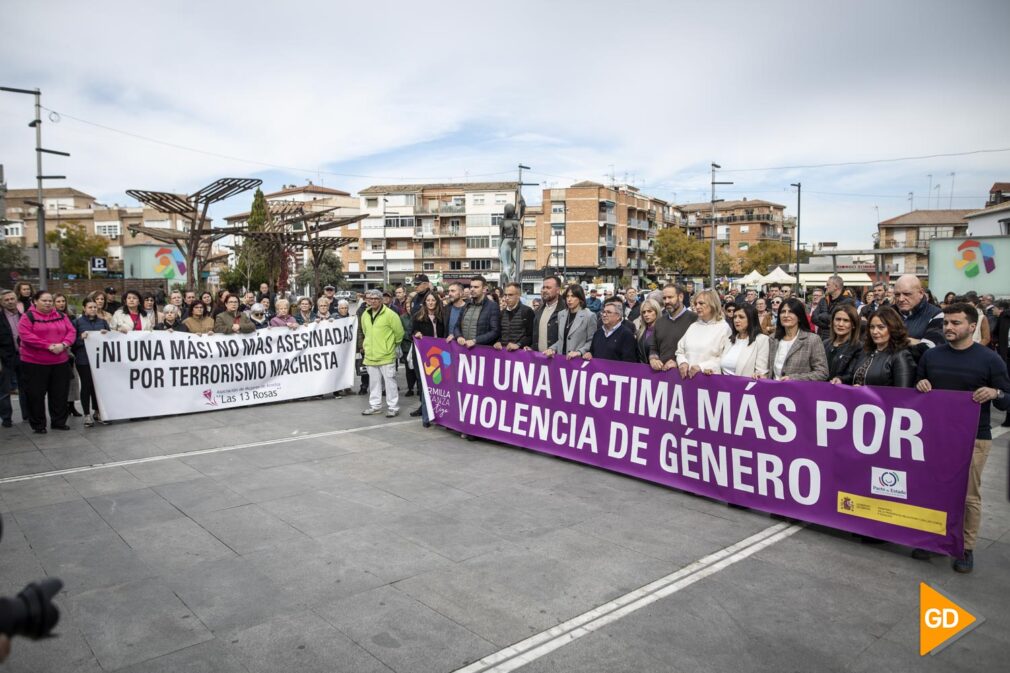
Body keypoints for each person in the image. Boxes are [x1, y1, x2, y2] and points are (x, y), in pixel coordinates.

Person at [915, 302, 1010, 572]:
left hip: (975, 437)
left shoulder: (989, 359)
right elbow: (917, 393)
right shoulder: (932, 357)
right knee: (934, 490)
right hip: (935, 437)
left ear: (972, 326)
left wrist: (995, 394)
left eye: (956, 323)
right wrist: (920, 385)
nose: (948, 327)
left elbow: (1007, 399)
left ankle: (965, 548)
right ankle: (933, 537)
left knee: (968, 496)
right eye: (946, 322)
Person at [18, 291, 76, 433]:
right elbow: (26, 336)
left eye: (50, 300)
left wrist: (63, 345)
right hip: (34, 363)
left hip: (60, 361)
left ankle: (59, 422)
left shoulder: (62, 315)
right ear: (35, 301)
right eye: (44, 300)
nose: (48, 303)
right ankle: (38, 425)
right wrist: (48, 346)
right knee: (36, 395)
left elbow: (71, 331)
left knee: (59, 394)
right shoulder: (28, 317)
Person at [834, 306, 915, 388]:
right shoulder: (865, 350)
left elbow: (902, 393)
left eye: (881, 327)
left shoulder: (901, 355)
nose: (875, 332)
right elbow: (852, 376)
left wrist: (867, 393)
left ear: (893, 328)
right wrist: (841, 380)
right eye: (872, 327)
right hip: (857, 400)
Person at [360, 288, 404, 417]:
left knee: (390, 382)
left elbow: (399, 333)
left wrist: (391, 347)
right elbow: (365, 331)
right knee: (374, 383)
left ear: (381, 300)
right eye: (370, 299)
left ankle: (393, 407)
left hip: (386, 355)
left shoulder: (390, 314)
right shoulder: (365, 314)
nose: (372, 301)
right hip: (371, 355)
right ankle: (375, 406)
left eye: (375, 299)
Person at [766, 298, 829, 381]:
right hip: (774, 392)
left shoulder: (812, 340)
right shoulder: (773, 338)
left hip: (798, 391)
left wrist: (794, 378)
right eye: (783, 312)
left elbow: (822, 372)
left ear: (799, 317)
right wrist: (764, 376)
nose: (786, 315)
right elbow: (770, 370)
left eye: (791, 312)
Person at [676, 289, 731, 377]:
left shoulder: (724, 328)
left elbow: (725, 358)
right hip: (688, 380)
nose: (697, 307)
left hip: (710, 381)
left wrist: (702, 367)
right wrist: (682, 362)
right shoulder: (693, 326)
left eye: (701, 303)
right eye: (696, 304)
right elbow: (680, 351)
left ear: (712, 304)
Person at [410, 291, 446, 424]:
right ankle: (426, 416)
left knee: (438, 385)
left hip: (440, 356)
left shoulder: (442, 316)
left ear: (437, 302)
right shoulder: (417, 316)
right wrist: (416, 333)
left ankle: (439, 414)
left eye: (433, 300)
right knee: (425, 385)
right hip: (423, 356)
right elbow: (410, 333)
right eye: (428, 300)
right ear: (425, 302)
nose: (430, 303)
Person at [73, 299, 109, 427]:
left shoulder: (103, 322)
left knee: (98, 386)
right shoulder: (77, 323)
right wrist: (80, 338)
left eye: (95, 307)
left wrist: (106, 334)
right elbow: (72, 342)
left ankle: (97, 411)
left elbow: (110, 340)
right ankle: (86, 414)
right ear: (84, 308)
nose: (93, 309)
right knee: (87, 386)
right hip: (84, 360)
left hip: (100, 360)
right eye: (90, 307)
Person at [648, 284, 698, 372]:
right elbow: (654, 347)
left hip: (686, 377)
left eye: (670, 297)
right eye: (664, 298)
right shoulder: (659, 321)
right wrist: (653, 359)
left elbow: (699, 352)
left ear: (681, 297)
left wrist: (679, 363)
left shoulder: (694, 320)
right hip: (662, 376)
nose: (667, 301)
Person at [717, 303, 769, 378]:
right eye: (735, 317)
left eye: (741, 317)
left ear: (751, 319)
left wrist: (759, 375)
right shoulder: (729, 339)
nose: (736, 320)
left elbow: (761, 372)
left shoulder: (762, 340)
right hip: (724, 386)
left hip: (746, 387)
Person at [0, 289, 28, 427]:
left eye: (12, 299)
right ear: (1, 302)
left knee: (26, 388)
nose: (10, 302)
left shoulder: (25, 316)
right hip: (5, 358)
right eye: (6, 300)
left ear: (16, 299)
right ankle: (6, 418)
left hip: (24, 356)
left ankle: (27, 415)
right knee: (4, 390)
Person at [544, 284, 595, 359]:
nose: (569, 299)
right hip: (562, 360)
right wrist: (552, 349)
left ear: (580, 298)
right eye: (567, 296)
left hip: (578, 362)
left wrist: (579, 352)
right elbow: (561, 340)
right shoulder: (561, 314)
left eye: (573, 296)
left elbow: (591, 341)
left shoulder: (589, 316)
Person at [452, 275, 500, 349]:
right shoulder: (466, 305)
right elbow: (457, 326)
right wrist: (458, 336)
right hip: (463, 349)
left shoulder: (492, 306)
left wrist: (475, 341)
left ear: (484, 289)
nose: (472, 289)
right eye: (471, 287)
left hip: (481, 351)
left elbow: (495, 331)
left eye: (476, 287)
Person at [823, 303, 862, 382]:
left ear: (853, 324)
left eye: (846, 320)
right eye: (838, 319)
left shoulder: (858, 347)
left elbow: (853, 374)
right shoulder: (824, 344)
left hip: (843, 391)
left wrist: (841, 379)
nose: (840, 324)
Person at [495, 282, 535, 352]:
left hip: (519, 355)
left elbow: (531, 335)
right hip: (503, 354)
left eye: (510, 295)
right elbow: (500, 333)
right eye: (505, 295)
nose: (507, 298)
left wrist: (518, 344)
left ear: (518, 295)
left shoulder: (527, 311)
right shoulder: (502, 312)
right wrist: (498, 342)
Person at [532, 275, 561, 352]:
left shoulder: (565, 310)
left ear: (558, 290)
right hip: (538, 358)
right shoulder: (538, 310)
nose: (544, 290)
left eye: (548, 288)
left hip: (557, 360)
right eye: (543, 287)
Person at [635, 298, 662, 364]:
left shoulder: (663, 330)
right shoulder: (640, 332)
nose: (646, 314)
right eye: (644, 312)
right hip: (641, 369)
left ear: (657, 311)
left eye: (649, 311)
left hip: (657, 370)